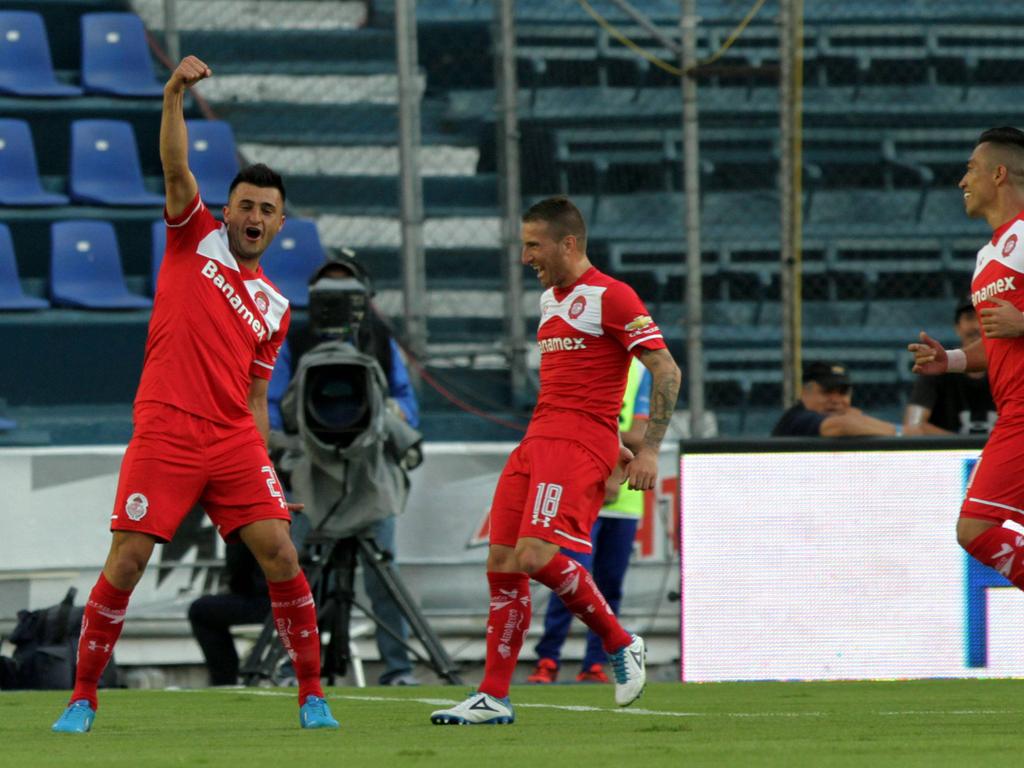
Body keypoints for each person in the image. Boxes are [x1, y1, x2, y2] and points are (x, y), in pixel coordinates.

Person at [52, 55, 338, 732]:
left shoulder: (275, 306)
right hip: (168, 427)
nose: (255, 216)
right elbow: (178, 169)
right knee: (127, 559)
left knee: (282, 553)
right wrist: (173, 96)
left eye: (268, 210)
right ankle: (83, 698)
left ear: (278, 225)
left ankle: (313, 696)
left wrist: (263, 466)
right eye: (246, 204)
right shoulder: (195, 239)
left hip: (233, 440)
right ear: (229, 210)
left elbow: (258, 395)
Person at [430, 196, 681, 725]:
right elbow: (578, 387)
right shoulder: (551, 302)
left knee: (534, 555)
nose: (525, 257)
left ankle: (620, 642)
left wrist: (649, 449)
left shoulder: (613, 296)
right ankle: (494, 697)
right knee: (501, 562)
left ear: (568, 243)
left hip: (574, 447)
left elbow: (666, 370)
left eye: (533, 245)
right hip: (538, 441)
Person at [270, 253, 421, 686]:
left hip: (370, 474)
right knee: (295, 574)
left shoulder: (382, 341)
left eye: (347, 295)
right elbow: (275, 412)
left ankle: (398, 670)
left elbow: (407, 405)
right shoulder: (293, 341)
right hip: (311, 476)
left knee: (383, 576)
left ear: (364, 300)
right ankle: (290, 666)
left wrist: (389, 411)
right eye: (328, 295)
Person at [908, 125, 1024, 617]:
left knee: (976, 527)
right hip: (1013, 409)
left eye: (972, 169)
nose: (962, 181)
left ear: (999, 174)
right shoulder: (988, 256)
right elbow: (998, 338)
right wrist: (952, 360)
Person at [527, 356, 651, 684]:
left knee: (609, 582)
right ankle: (549, 659)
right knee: (569, 577)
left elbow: (639, 434)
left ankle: (596, 662)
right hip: (582, 490)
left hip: (624, 498)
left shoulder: (640, 370)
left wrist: (598, 437)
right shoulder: (584, 363)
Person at [903, 296, 996, 435]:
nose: (977, 326)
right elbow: (913, 427)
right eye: (970, 318)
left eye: (983, 317)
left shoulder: (1011, 367)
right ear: (957, 328)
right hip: (951, 455)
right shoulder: (938, 368)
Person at [188, 541, 270, 686]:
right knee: (206, 609)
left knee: (200, 611)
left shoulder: (243, 526)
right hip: (298, 601)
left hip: (267, 602)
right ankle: (225, 680)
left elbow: (238, 570)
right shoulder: (296, 524)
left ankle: (224, 681)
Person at [771, 361, 900, 437]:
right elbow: (842, 426)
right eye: (827, 391)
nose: (835, 400)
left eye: (843, 393)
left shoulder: (851, 418)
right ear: (805, 393)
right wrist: (900, 432)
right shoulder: (798, 418)